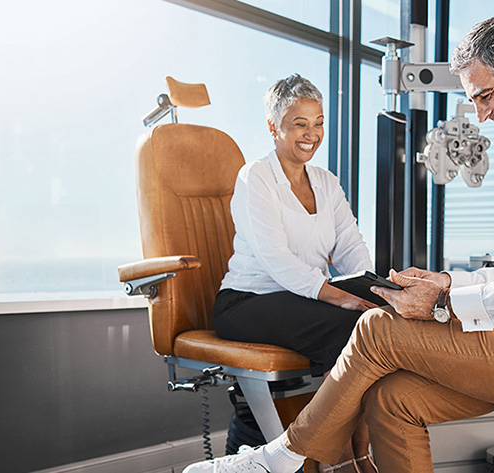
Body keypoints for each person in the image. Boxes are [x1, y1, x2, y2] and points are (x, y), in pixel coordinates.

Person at [184, 15, 494, 473]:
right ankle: (302, 458)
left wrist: (448, 301)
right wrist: (446, 282)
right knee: (392, 399)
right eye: (475, 101)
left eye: (486, 96)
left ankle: (281, 459)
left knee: (376, 330)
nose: (484, 115)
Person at [206, 74, 378, 473]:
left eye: (318, 122)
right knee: (351, 329)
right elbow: (274, 259)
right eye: (299, 123)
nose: (311, 133)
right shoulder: (256, 177)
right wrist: (340, 296)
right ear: (273, 127)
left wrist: (370, 289)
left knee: (375, 320)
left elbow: (350, 246)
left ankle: (269, 456)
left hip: (298, 301)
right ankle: (347, 453)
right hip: (246, 303)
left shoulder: (326, 182)